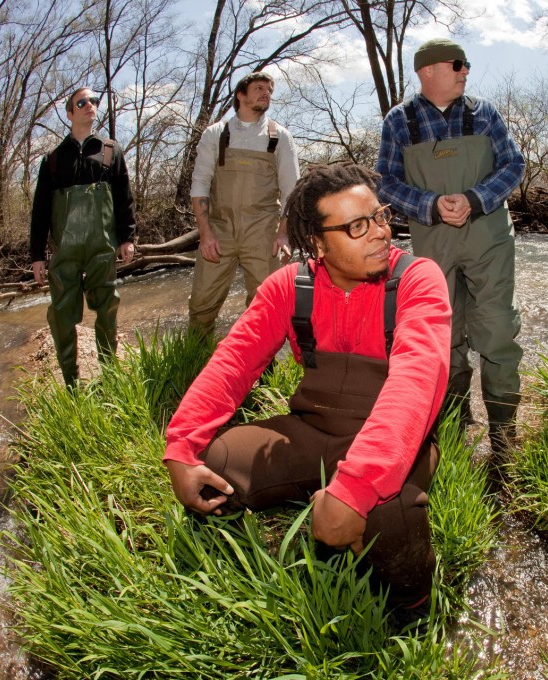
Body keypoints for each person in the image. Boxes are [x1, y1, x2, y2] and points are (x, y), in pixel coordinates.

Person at [163, 163, 451, 611]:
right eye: (357, 226)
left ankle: (412, 612)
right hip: (313, 428)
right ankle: (241, 566)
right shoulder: (288, 287)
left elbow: (416, 381)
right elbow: (233, 362)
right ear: (317, 243)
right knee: (211, 462)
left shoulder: (418, 278)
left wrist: (353, 491)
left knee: (386, 510)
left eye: (379, 216)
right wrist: (182, 445)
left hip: (398, 438)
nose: (380, 233)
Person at [375, 38, 525, 461]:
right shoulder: (399, 121)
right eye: (457, 64)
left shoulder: (484, 113)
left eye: (466, 64)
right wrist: (431, 204)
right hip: (431, 243)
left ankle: (503, 430)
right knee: (442, 337)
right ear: (427, 72)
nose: (465, 71)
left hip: (488, 237)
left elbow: (514, 164)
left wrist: (475, 199)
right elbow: (384, 182)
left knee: (496, 331)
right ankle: (455, 424)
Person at [30, 86, 137, 387]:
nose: (90, 105)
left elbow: (124, 197)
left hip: (102, 246)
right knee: (62, 313)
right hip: (64, 251)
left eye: (93, 101)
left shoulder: (110, 151)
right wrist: (37, 255)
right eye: (82, 102)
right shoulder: (52, 159)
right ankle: (70, 381)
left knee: (107, 307)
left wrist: (127, 237)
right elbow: (39, 210)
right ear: (69, 114)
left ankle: (111, 375)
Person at [188, 71, 300, 334]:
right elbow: (200, 184)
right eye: (260, 88)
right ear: (241, 95)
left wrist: (283, 234)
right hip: (220, 230)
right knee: (202, 301)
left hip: (263, 232)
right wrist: (205, 234)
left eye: (270, 91)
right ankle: (195, 362)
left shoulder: (280, 137)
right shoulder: (216, 134)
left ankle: (264, 369)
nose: (266, 94)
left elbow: (292, 191)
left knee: (266, 305)